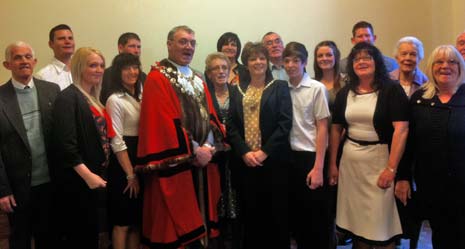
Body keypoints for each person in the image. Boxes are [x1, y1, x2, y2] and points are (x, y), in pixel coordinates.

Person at [136, 25, 226, 248]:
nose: (189, 47)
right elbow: (164, 123)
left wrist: (208, 146)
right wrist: (195, 151)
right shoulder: (157, 78)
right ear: (169, 44)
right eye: (183, 42)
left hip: (203, 162)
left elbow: (210, 114)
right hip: (180, 165)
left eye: (192, 43)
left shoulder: (197, 77)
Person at [329, 42, 409, 249]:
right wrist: (333, 165)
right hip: (351, 166)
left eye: (367, 57)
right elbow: (336, 129)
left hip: (380, 162)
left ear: (377, 62)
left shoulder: (392, 90)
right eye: (357, 59)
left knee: (382, 224)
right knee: (357, 222)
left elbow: (401, 130)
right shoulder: (345, 93)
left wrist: (391, 169)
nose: (362, 62)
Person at [395, 45, 465, 248]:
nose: (445, 66)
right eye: (439, 62)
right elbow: (409, 144)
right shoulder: (420, 99)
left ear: (460, 67)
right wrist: (404, 177)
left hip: (462, 183)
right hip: (432, 184)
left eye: (452, 61)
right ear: (431, 67)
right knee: (441, 233)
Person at [227, 42, 292, 249]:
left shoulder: (280, 87)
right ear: (246, 63)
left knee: (276, 214)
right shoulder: (236, 90)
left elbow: (285, 123)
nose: (258, 62)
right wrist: (245, 152)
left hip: (273, 162)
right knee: (251, 213)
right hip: (246, 163)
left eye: (262, 58)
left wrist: (264, 152)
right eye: (253, 58)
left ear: (268, 61)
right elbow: (231, 125)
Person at [52, 47, 115, 249]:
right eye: (92, 65)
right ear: (79, 67)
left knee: (93, 234)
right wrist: (88, 176)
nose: (98, 70)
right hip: (78, 182)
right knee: (80, 235)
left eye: (101, 65)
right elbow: (66, 145)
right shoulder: (67, 98)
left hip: (96, 179)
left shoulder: (94, 98)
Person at [0, 41, 60, 249]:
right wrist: (2, 189)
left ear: (34, 62)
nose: (24, 61)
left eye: (27, 57)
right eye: (17, 57)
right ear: (7, 64)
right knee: (20, 240)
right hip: (17, 189)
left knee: (50, 237)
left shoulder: (52, 91)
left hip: (51, 183)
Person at [283, 42, 332, 248]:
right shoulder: (282, 89)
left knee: (316, 217)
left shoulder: (316, 88)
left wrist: (319, 167)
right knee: (296, 215)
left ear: (304, 63)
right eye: (287, 60)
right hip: (288, 158)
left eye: (296, 60)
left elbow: (322, 128)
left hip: (311, 157)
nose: (291, 65)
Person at [105, 53, 143, 249]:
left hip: (141, 162)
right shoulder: (115, 99)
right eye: (126, 68)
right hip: (123, 166)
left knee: (137, 222)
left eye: (135, 67)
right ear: (118, 72)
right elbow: (117, 141)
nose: (132, 72)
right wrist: (130, 175)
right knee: (122, 223)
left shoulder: (142, 94)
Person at [204, 52, 242, 249]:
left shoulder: (239, 93)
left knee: (236, 196)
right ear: (209, 73)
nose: (220, 72)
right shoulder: (204, 96)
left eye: (224, 68)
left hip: (237, 155)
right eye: (215, 68)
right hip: (214, 157)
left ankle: (236, 239)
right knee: (217, 198)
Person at [100, 32, 147, 104]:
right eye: (132, 46)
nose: (136, 51)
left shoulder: (143, 77)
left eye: (139, 47)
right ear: (120, 48)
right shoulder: (105, 75)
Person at [36, 24, 75, 90]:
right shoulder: (42, 76)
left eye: (70, 38)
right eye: (61, 38)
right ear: (51, 44)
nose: (68, 41)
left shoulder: (84, 71)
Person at [314, 40, 346, 112]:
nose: (324, 58)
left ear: (336, 57)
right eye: (320, 56)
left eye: (329, 55)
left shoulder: (346, 82)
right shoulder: (312, 83)